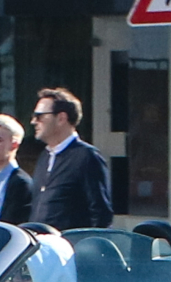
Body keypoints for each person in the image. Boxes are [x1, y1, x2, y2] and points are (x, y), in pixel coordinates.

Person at [26, 87, 113, 230]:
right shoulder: (44, 156)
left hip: (69, 248)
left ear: (61, 118)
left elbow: (101, 213)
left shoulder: (86, 156)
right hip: (41, 247)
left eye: (39, 116)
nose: (33, 121)